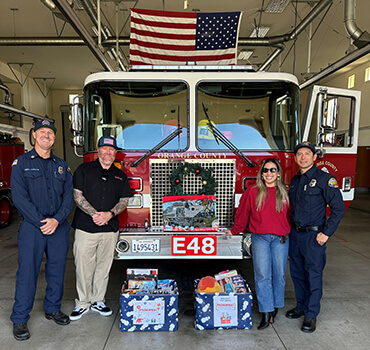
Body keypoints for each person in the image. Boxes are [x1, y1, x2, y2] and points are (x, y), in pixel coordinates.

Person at [10, 120, 73, 341]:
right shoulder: (20, 164)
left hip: (59, 227)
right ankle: (19, 319)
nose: (47, 135)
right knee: (27, 273)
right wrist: (41, 222)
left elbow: (68, 198)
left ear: (54, 138)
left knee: (57, 271)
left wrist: (56, 220)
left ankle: (52, 309)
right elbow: (19, 198)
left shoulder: (63, 166)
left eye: (50, 133)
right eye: (42, 132)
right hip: (32, 228)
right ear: (34, 135)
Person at [70, 136, 132, 321]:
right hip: (85, 227)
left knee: (103, 267)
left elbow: (124, 200)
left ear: (115, 153)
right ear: (98, 151)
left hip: (109, 228)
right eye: (104, 149)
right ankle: (82, 303)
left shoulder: (120, 175)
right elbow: (77, 195)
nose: (108, 153)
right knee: (83, 266)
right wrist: (95, 214)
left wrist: (109, 215)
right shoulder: (84, 170)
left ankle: (98, 300)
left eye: (111, 150)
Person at [286, 141, 345, 333]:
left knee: (313, 275)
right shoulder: (295, 181)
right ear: (295, 158)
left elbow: (338, 208)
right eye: (299, 154)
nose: (303, 157)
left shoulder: (325, 179)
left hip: (314, 237)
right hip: (295, 235)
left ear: (315, 157)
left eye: (307, 154)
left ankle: (311, 314)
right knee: (297, 274)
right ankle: (301, 306)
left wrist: (326, 233)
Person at [226, 158, 290, 330]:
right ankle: (266, 311)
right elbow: (242, 212)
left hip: (281, 239)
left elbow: (292, 215)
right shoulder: (253, 192)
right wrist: (234, 230)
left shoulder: (285, 192)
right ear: (261, 173)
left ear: (278, 174)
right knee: (262, 275)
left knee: (279, 275)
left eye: (272, 170)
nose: (269, 173)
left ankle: (276, 305)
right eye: (266, 170)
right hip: (259, 238)